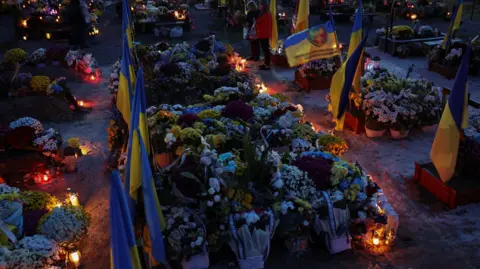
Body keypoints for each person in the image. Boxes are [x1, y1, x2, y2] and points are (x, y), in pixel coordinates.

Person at [254, 0, 272, 70]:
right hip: (262, 34)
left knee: (266, 50)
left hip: (264, 34)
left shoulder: (266, 14)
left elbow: (263, 24)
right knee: (265, 50)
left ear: (263, 6)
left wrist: (256, 23)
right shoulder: (263, 13)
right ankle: (266, 63)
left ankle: (267, 65)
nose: (259, 6)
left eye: (260, 5)